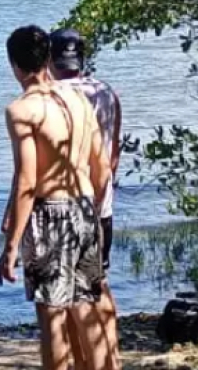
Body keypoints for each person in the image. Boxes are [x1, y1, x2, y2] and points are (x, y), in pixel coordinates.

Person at [0, 25, 116, 370]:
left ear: (14, 65)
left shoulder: (22, 110)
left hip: (50, 214)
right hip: (84, 207)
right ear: (48, 58)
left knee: (52, 319)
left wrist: (10, 247)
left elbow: (26, 181)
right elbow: (102, 167)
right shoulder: (79, 100)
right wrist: (90, 211)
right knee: (87, 311)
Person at [49, 28, 123, 369]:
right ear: (82, 58)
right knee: (98, 285)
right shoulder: (106, 92)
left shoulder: (52, 97)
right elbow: (112, 154)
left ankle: (85, 364)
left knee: (66, 301)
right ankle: (112, 359)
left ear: (50, 60)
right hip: (101, 206)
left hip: (67, 207)